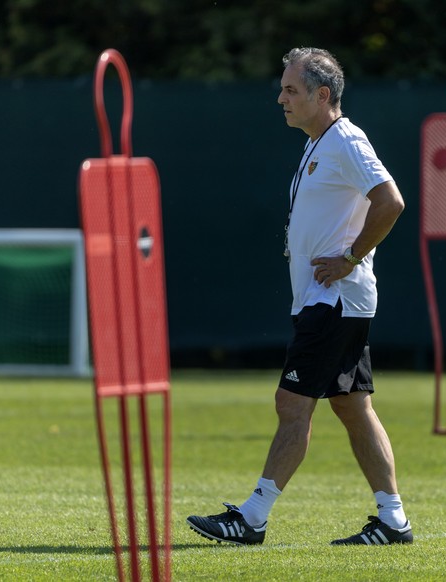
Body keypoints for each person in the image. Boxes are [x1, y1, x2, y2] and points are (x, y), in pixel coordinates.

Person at [186, 47, 411, 546]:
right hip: (330, 300)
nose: (281, 99)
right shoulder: (319, 143)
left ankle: (252, 517)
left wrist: (350, 257)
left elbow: (391, 201)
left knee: (292, 403)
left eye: (291, 90)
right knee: (353, 408)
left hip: (334, 300)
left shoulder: (345, 140)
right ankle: (393, 520)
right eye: (282, 89)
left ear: (322, 95)